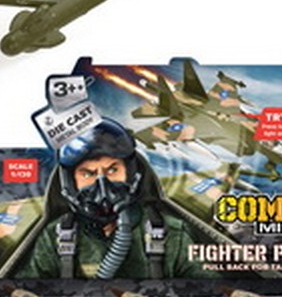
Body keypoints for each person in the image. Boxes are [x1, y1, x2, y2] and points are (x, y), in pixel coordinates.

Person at [15, 118, 213, 279]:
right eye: (88, 174)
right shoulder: (55, 238)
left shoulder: (173, 234)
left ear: (131, 173)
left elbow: (211, 296)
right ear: (70, 183)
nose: (102, 185)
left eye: (112, 170)